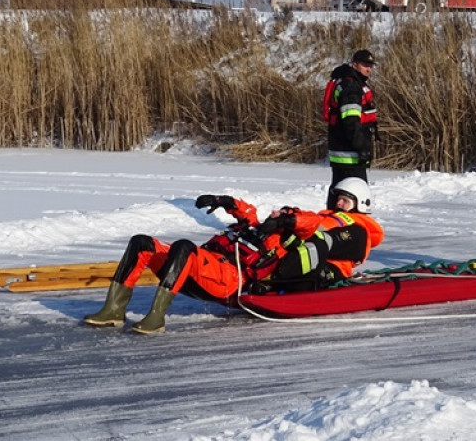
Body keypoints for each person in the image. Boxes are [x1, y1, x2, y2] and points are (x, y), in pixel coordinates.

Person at [83, 182, 383, 334]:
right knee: (142, 243)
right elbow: (251, 214)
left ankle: (156, 318)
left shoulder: (302, 233)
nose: (275, 213)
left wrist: (287, 222)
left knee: (185, 248)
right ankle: (113, 310)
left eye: (282, 213)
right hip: (208, 265)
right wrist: (226, 202)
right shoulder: (262, 226)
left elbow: (309, 225)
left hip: (230, 279)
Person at [324, 48, 379, 195]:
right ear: (354, 65)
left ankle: (333, 218)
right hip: (350, 155)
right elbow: (351, 121)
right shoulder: (352, 87)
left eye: (371, 66)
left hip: (341, 152)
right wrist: (362, 148)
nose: (369, 69)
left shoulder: (343, 81)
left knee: (339, 194)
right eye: (365, 65)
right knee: (354, 196)